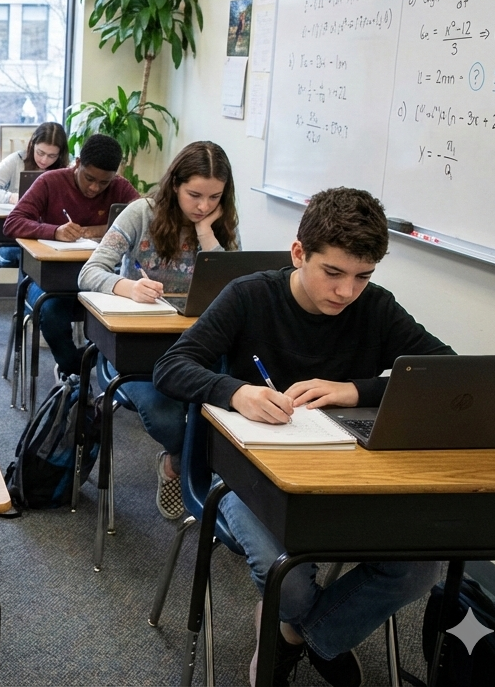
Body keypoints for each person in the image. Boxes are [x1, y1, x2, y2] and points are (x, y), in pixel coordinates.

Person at [153, 187, 452, 687]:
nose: (346, 291)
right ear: (299, 254)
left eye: (362, 277)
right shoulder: (250, 295)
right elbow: (170, 367)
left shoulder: (374, 307)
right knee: (286, 581)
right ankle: (306, 627)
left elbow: (443, 373)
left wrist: (355, 390)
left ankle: (297, 637)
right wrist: (235, 392)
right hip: (244, 476)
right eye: (332, 273)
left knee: (421, 566)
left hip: (346, 475)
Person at [77, 141, 240, 520]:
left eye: (214, 197)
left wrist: (207, 235)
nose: (203, 206)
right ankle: (179, 464)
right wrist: (128, 287)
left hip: (197, 350)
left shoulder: (219, 222)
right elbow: (90, 271)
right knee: (168, 417)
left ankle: (194, 474)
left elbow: (235, 290)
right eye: (194, 195)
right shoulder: (140, 213)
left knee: (227, 413)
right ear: (174, 186)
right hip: (138, 351)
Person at [4, 133, 139, 378]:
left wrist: (104, 230)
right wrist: (54, 231)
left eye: (104, 182)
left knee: (132, 316)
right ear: (77, 163)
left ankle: (85, 368)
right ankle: (75, 370)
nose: (94, 187)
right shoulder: (50, 181)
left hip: (101, 280)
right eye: (89, 178)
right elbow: (12, 223)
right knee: (53, 313)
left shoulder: (120, 187)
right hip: (52, 280)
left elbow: (145, 224)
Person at [0, 122, 72, 269]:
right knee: (31, 256)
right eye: (40, 152)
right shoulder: (17, 160)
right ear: (32, 144)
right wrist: (11, 197)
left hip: (53, 235)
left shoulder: (67, 170)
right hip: (17, 237)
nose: (44, 160)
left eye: (52, 156)